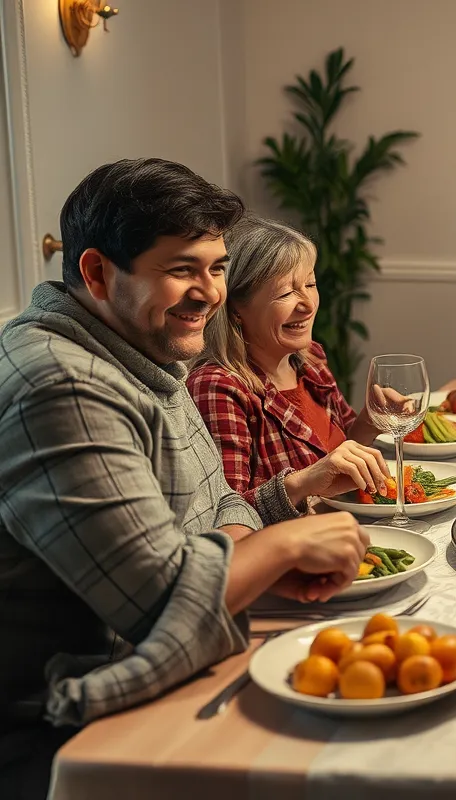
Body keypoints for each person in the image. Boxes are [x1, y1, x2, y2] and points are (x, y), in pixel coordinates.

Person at [0, 159, 370, 798]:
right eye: (180, 270)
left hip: (179, 673)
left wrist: (234, 546)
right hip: (70, 739)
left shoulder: (139, 349)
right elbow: (163, 602)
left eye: (218, 267)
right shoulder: (64, 383)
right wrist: (282, 546)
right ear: (95, 272)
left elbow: (223, 501)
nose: (210, 292)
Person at [187, 215, 393, 519]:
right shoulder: (218, 387)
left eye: (310, 284)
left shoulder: (310, 361)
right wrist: (302, 483)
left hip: (346, 528)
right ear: (236, 308)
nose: (308, 304)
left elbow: (341, 460)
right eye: (285, 292)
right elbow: (224, 515)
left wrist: (370, 421)